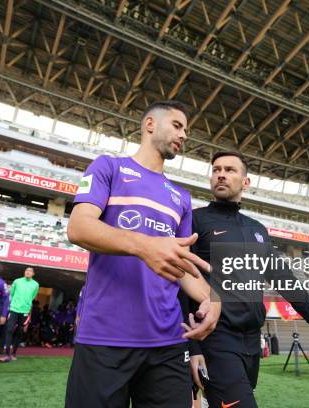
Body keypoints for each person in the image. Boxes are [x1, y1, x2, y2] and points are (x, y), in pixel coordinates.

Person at [65, 100, 221, 408]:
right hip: (105, 338)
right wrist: (145, 245)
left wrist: (212, 300)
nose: (184, 135)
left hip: (167, 342)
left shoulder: (182, 198)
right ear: (149, 124)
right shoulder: (108, 167)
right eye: (177, 125)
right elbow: (79, 228)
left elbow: (182, 264)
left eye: (186, 130)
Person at [183, 151, 309, 408]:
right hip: (215, 337)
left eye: (230, 170)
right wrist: (193, 348)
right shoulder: (195, 221)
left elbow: (281, 276)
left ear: (246, 182)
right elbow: (182, 283)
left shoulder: (257, 229)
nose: (221, 174)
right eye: (216, 170)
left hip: (251, 340)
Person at [0, 267, 39, 362]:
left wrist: (27, 306)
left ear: (33, 274)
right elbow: (11, 294)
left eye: (30, 271)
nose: (27, 272)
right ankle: (6, 353)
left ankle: (14, 353)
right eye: (26, 270)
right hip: (14, 309)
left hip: (25, 311)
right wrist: (11, 305)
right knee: (9, 329)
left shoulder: (36, 284)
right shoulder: (17, 281)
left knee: (19, 332)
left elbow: (32, 296)